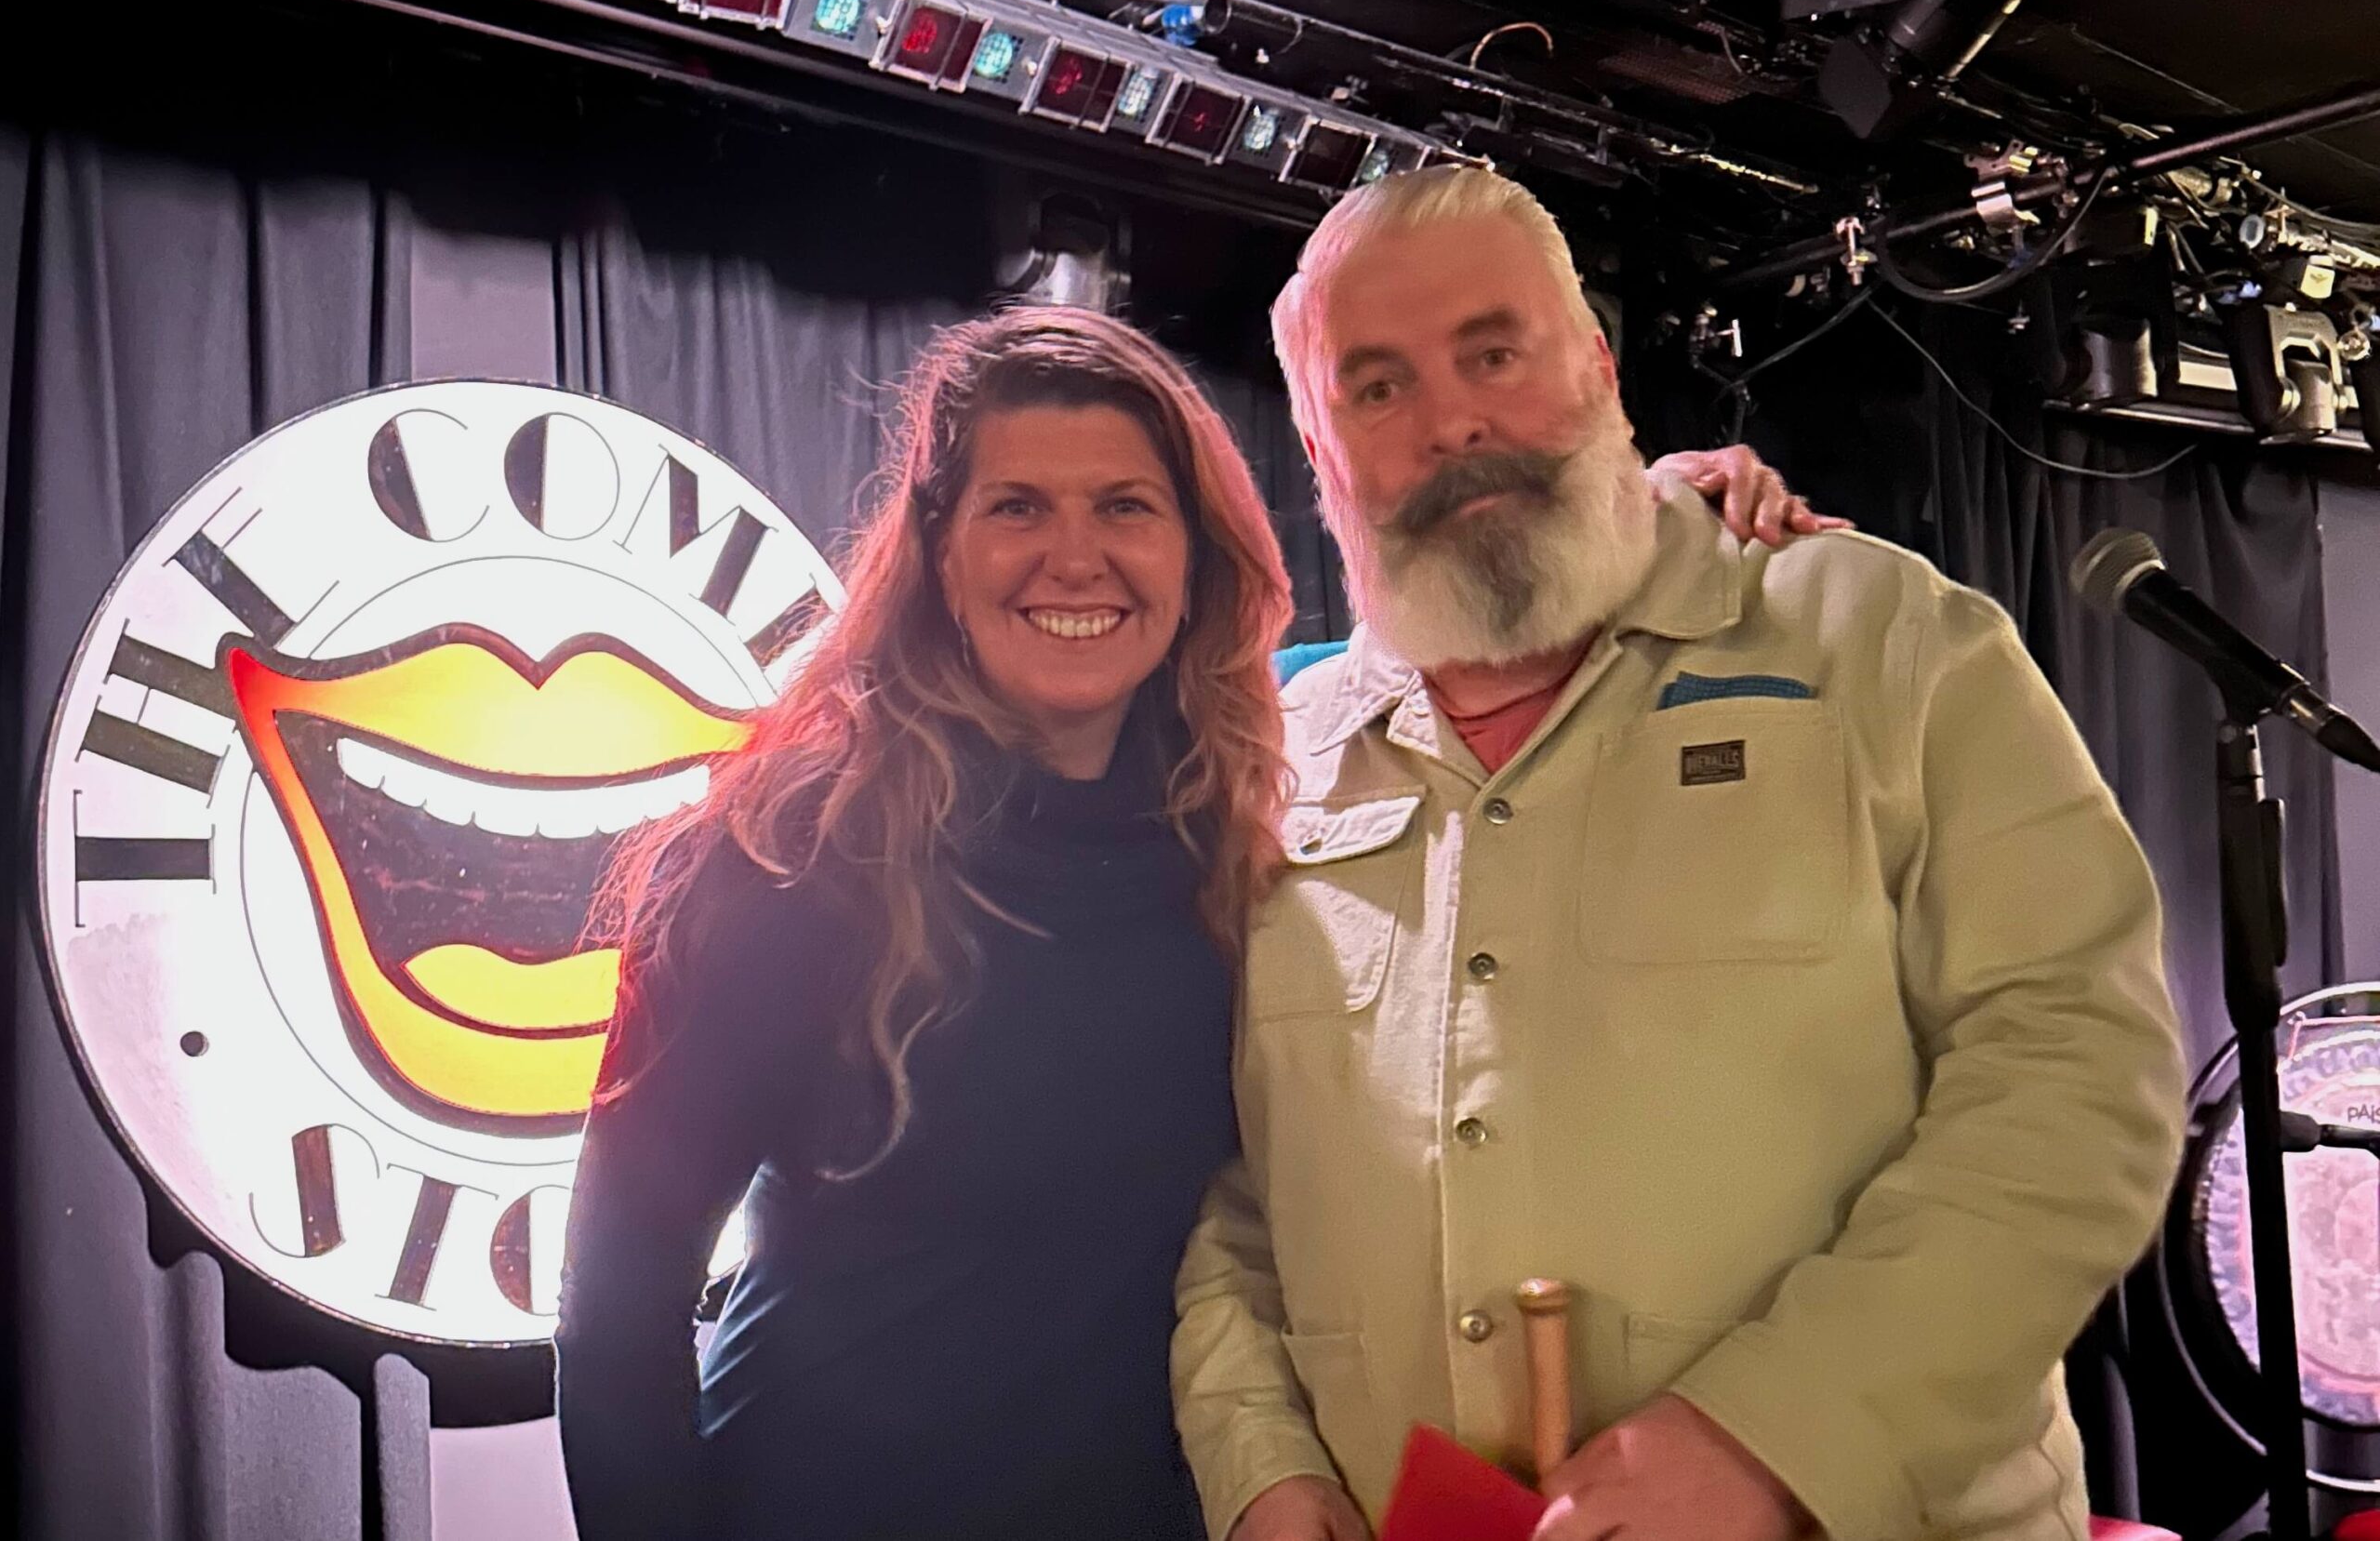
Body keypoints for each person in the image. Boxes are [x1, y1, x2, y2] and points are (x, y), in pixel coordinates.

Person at [554, 303, 1812, 1540]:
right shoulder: (783, 861)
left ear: (1195, 555)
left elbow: (1497, 642)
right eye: (1016, 507)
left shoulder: (1259, 787)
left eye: (1125, 507)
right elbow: (617, 1315)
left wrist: (1653, 517)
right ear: (938, 554)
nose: (1075, 556)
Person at [1171, 167, 2189, 1541]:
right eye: (1376, 387)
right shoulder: (1282, 765)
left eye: (1494, 352)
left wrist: (1784, 1433)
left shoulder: (1879, 640)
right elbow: (1243, 1193)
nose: (1452, 419)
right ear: (1316, 440)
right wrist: (1265, 1473)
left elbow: (2078, 1074)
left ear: (1596, 362)